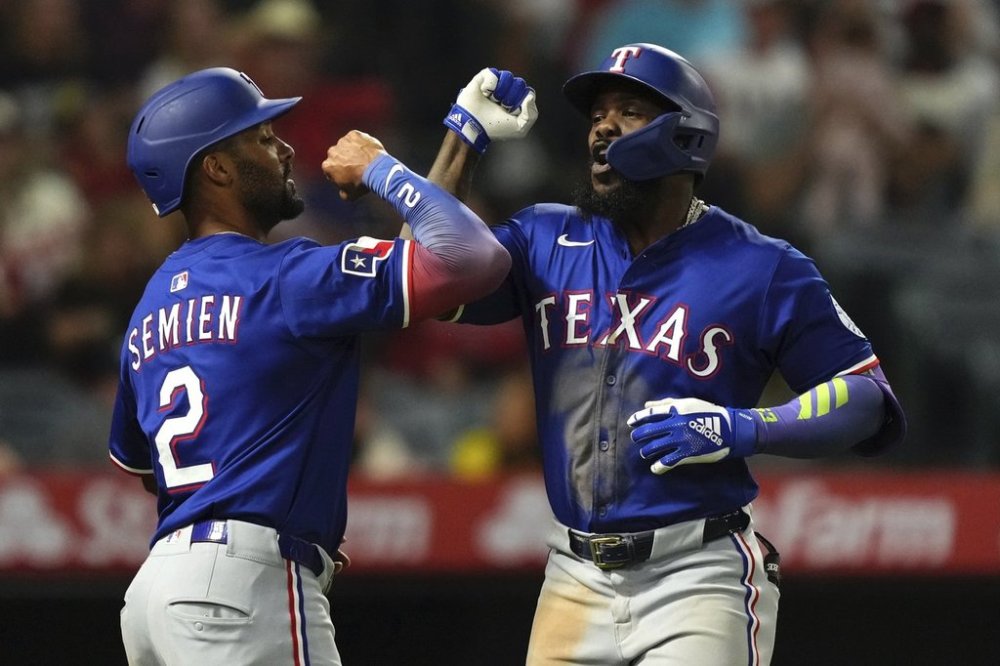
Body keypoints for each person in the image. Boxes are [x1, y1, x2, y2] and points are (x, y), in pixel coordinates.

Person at [428, 47, 906, 664]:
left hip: (696, 575)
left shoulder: (760, 265)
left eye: (629, 110)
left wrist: (742, 427)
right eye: (597, 113)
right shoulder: (543, 237)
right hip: (573, 576)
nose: (602, 125)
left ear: (686, 136)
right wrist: (461, 138)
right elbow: (426, 276)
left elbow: (869, 397)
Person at [108, 67, 511, 665]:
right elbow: (473, 259)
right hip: (244, 586)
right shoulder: (286, 278)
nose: (286, 148)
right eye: (262, 139)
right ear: (215, 168)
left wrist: (461, 137)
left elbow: (144, 468)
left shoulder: (151, 308)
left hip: (156, 593)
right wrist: (379, 168)